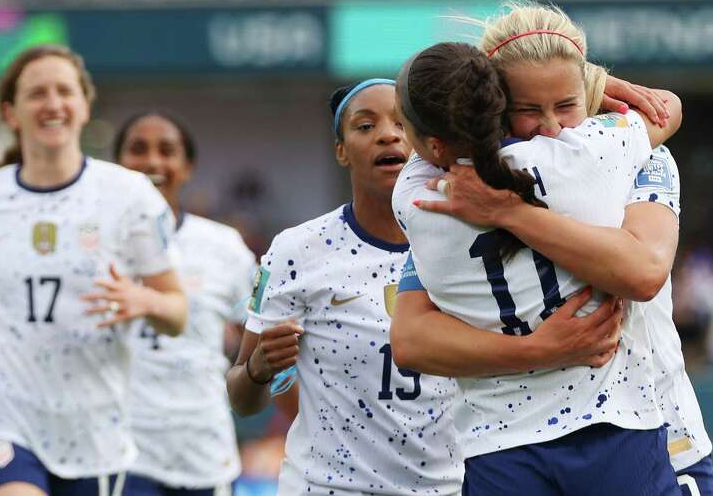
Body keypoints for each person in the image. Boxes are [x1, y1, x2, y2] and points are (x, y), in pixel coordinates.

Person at [224, 78, 624, 496]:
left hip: (452, 488)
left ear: (426, 141)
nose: (386, 134)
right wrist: (258, 370)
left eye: (401, 122)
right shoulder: (297, 250)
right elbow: (242, 397)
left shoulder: (476, 236)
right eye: (365, 126)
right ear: (341, 150)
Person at [400, 1, 713, 496]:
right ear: (493, 109)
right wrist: (536, 349)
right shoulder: (609, 152)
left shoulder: (438, 190)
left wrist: (509, 212)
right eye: (528, 110)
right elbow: (412, 338)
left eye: (566, 105)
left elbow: (643, 271)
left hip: (663, 428)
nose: (551, 127)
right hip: (611, 433)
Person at [0, 44, 187, 496]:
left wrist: (142, 301)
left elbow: (177, 311)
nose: (53, 104)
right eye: (37, 94)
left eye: (65, 91)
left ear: (85, 106)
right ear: (11, 112)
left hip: (92, 429)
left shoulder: (129, 195)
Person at [114, 112, 257, 496]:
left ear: (188, 167)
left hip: (203, 451)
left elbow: (260, 338)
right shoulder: (94, 245)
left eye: (167, 151)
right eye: (137, 149)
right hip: (118, 452)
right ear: (117, 165)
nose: (153, 162)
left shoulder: (224, 247)